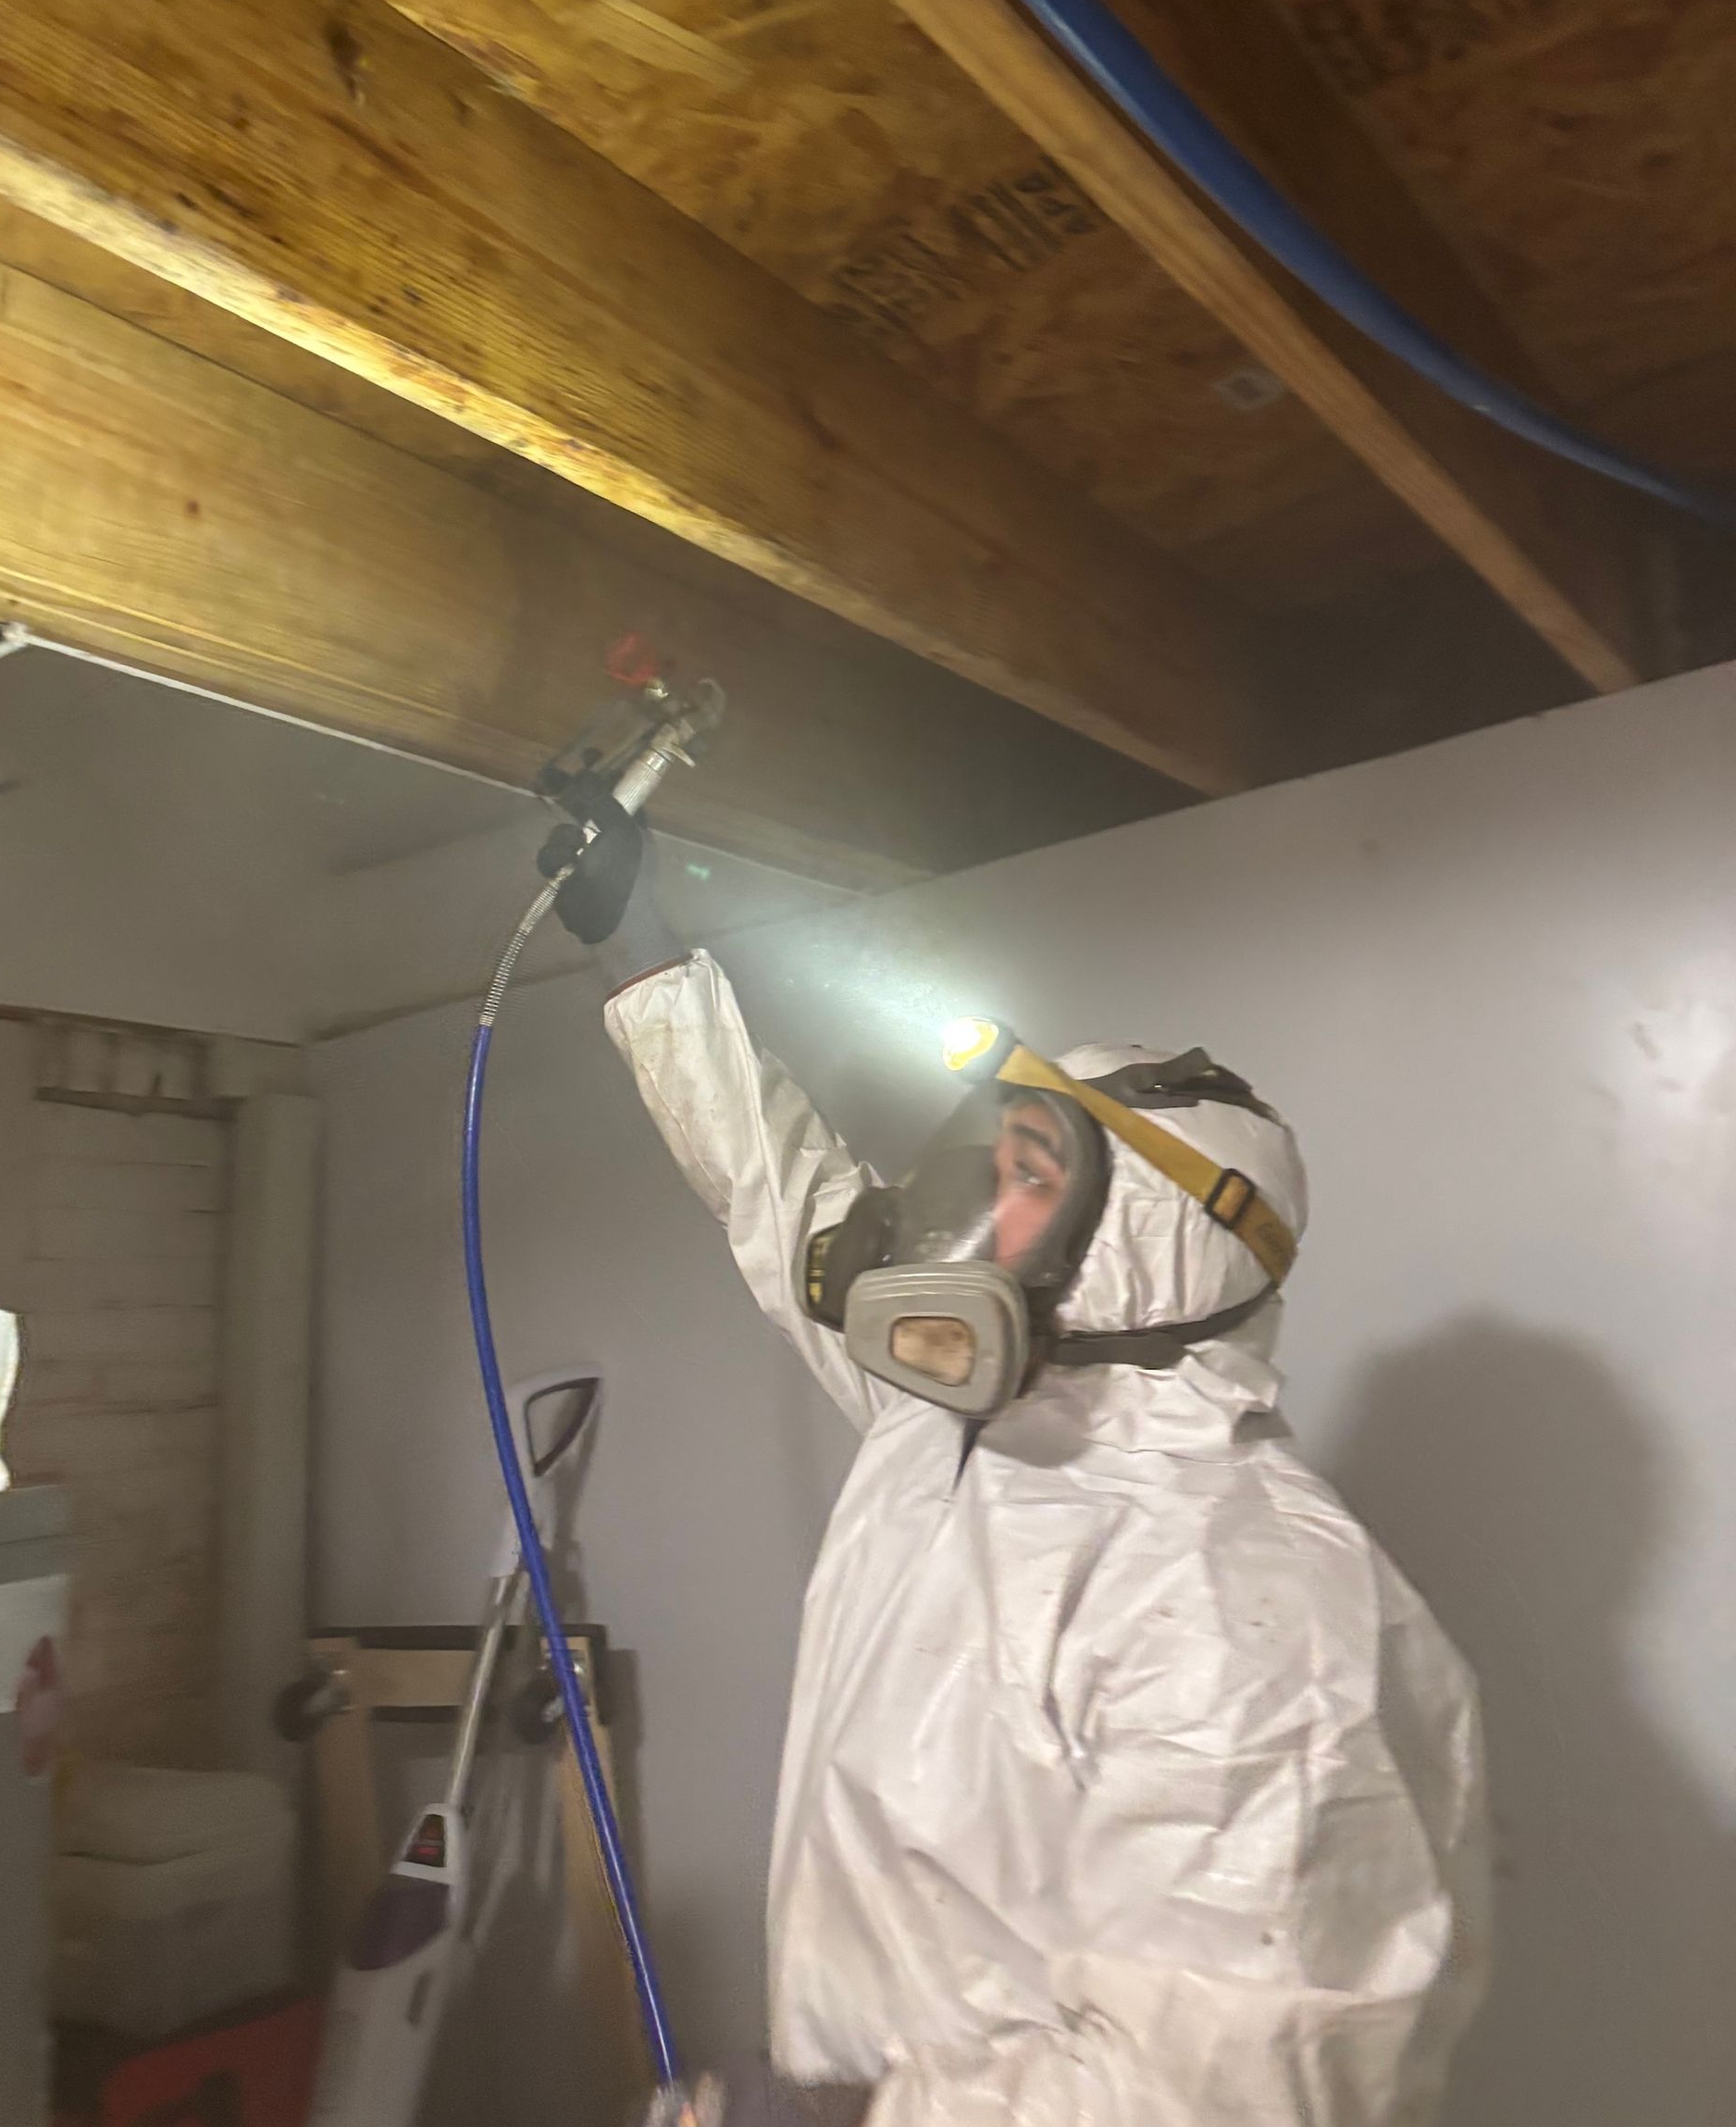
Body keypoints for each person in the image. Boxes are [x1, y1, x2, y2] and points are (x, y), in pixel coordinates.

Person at [577, 869, 1489, 2127]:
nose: (961, 1215)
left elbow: (1220, 2095)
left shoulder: (1245, 1604)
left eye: (1027, 1179)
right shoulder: (962, 1427)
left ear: (1148, 1241)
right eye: (985, 1165)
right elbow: (784, 1209)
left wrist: (844, 2120)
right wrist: (643, 955)